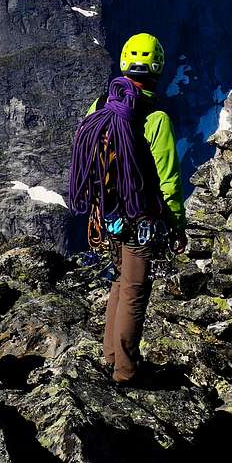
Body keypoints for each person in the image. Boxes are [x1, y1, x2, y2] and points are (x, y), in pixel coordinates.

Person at [68, 32, 186, 385]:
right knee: (135, 289)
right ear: (157, 69)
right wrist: (177, 223)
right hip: (141, 216)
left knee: (121, 282)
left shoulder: (100, 105)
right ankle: (126, 371)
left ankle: (111, 357)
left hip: (108, 214)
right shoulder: (156, 118)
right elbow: (168, 178)